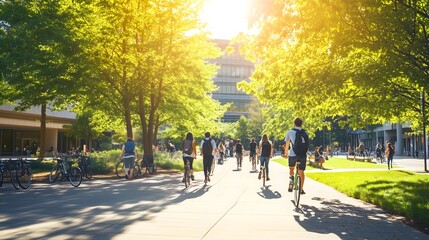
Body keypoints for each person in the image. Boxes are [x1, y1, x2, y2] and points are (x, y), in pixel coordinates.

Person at [284, 117, 309, 194]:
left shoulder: (290, 132)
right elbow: (306, 144)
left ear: (294, 123)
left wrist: (286, 153)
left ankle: (291, 179)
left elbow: (287, 144)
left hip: (293, 154)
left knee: (291, 168)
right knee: (301, 171)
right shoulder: (306, 132)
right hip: (302, 154)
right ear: (302, 124)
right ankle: (301, 189)